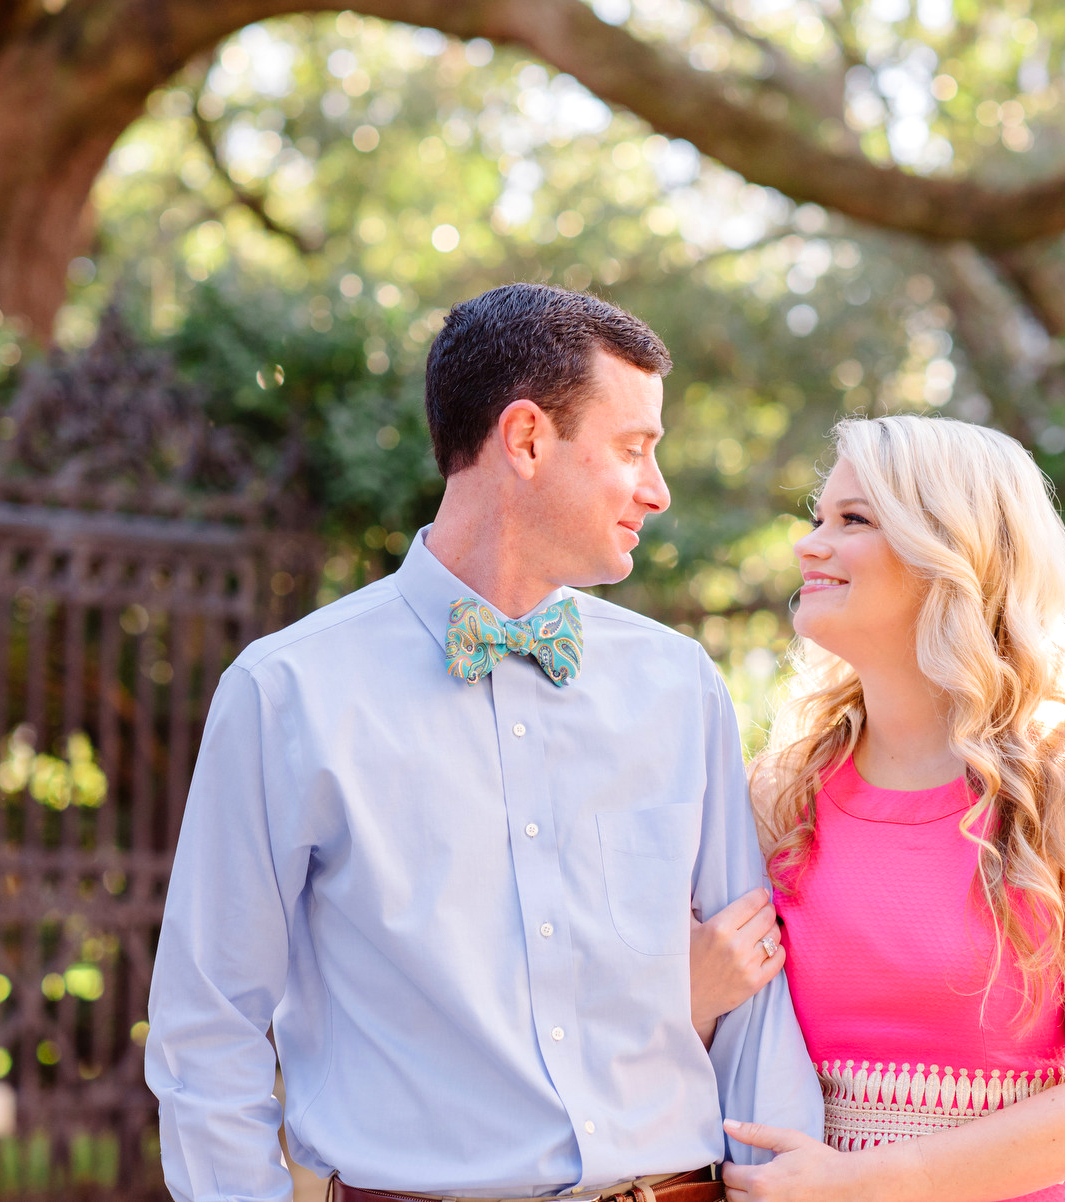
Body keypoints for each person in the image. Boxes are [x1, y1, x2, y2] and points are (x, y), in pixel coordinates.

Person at [146, 283, 822, 1202]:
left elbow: (755, 1003)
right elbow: (209, 1026)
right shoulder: (287, 694)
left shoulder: (678, 684)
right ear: (528, 438)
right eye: (633, 450)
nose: (657, 492)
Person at [689, 415, 1065, 1202]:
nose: (808, 545)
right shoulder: (776, 794)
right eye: (817, 519)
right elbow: (710, 1039)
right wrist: (692, 997)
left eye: (852, 520)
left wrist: (865, 1183)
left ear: (949, 550)